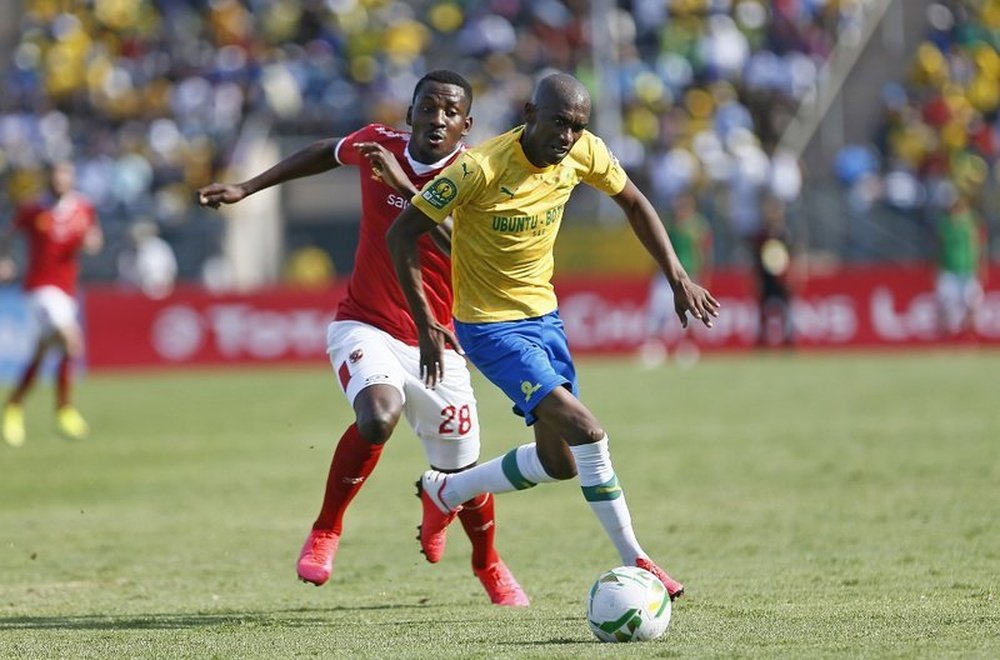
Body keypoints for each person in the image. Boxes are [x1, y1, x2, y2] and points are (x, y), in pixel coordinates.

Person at [196, 70, 528, 606]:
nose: (437, 119)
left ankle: (486, 561)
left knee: (461, 473)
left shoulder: (476, 175)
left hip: (440, 340)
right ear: (411, 111)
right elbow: (326, 151)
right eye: (429, 107)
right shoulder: (379, 145)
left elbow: (472, 255)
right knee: (378, 415)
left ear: (465, 125)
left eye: (450, 112)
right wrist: (247, 187)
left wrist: (407, 191)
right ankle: (326, 530)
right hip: (366, 322)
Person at [387, 72, 720, 601]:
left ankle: (446, 490)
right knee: (588, 432)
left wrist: (677, 276)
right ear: (530, 112)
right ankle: (638, 559)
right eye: (560, 123)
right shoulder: (480, 167)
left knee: (561, 463)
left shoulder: (585, 152)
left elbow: (634, 202)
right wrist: (427, 320)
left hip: (546, 321)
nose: (568, 136)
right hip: (489, 327)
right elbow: (401, 233)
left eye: (577, 126)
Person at [0, 161, 104, 447]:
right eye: (55, 176)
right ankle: (64, 410)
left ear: (71, 179)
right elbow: (7, 235)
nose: (60, 181)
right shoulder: (34, 209)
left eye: (65, 176)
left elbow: (94, 239)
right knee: (72, 342)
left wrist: (92, 241)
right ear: (48, 179)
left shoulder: (83, 207)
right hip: (39, 290)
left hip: (67, 290)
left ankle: (13, 405)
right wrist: (5, 260)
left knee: (39, 355)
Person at [639, 191, 713, 366]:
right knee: (658, 311)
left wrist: (704, 275)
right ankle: (654, 347)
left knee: (693, 312)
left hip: (690, 275)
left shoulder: (698, 226)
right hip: (668, 275)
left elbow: (703, 252)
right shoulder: (670, 225)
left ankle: (688, 348)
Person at [935, 191, 986, 338]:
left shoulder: (971, 224)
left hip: (968, 270)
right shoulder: (945, 225)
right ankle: (945, 338)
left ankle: (968, 337)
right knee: (945, 304)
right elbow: (939, 248)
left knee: (972, 304)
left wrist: (981, 267)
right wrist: (938, 269)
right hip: (949, 270)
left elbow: (979, 247)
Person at [752, 194, 796, 347]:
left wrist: (793, 277)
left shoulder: (785, 235)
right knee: (764, 310)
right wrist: (756, 279)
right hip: (766, 278)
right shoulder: (761, 235)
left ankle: (788, 340)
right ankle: (762, 340)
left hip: (782, 279)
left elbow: (792, 258)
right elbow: (756, 261)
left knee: (786, 310)